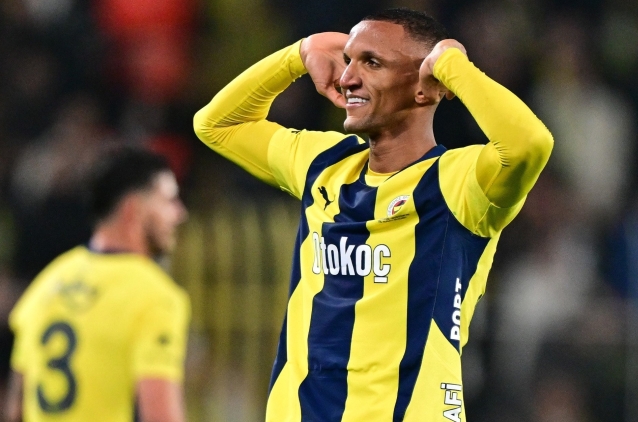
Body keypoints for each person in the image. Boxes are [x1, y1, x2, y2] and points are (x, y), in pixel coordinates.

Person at [194, 7, 553, 422]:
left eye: (372, 63)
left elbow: (529, 144)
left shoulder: (459, 183)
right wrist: (300, 54)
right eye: (348, 60)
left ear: (424, 88)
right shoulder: (324, 164)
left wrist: (453, 66)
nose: (347, 78)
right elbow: (216, 124)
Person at [4, 147, 190, 422]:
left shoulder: (48, 282)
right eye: (168, 201)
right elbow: (160, 417)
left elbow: (15, 409)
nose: (180, 213)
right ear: (133, 209)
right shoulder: (155, 296)